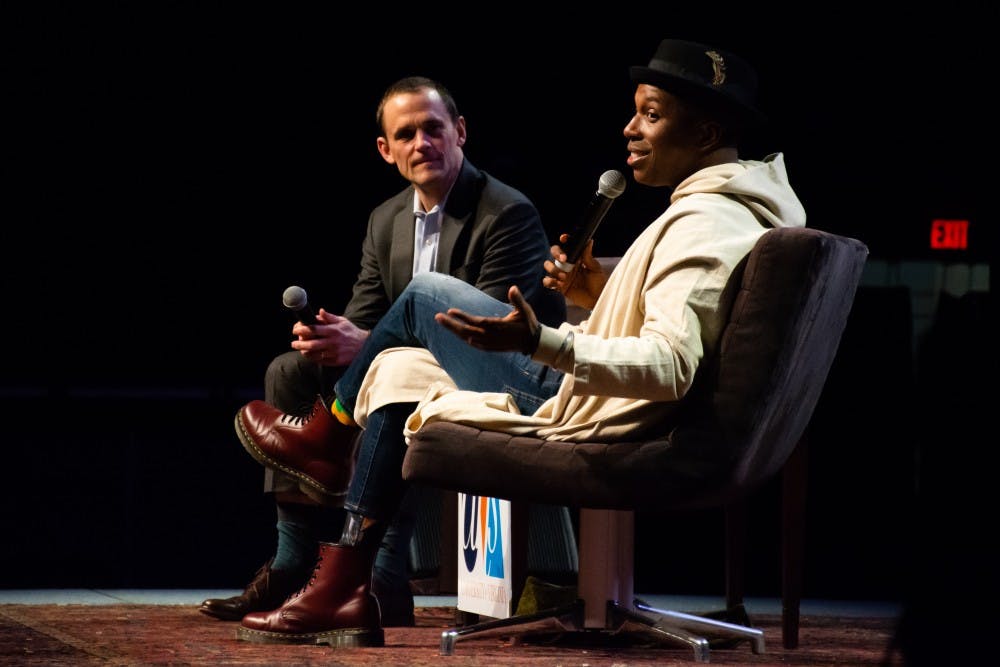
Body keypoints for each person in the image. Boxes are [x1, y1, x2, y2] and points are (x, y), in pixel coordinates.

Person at [230, 38, 806, 647]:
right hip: (599, 393)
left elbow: (669, 364)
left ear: (707, 130)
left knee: (427, 295)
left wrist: (544, 342)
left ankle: (330, 436)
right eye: (636, 110)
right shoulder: (726, 205)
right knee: (398, 369)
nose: (629, 128)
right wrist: (594, 293)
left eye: (652, 115)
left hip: (592, 409)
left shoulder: (706, 219)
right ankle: (348, 585)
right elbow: (676, 318)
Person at [199, 75, 565, 627]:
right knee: (290, 370)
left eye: (434, 129)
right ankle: (293, 563)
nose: (422, 142)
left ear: (460, 132)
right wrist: (334, 337)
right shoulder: (385, 218)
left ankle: (384, 573)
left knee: (395, 369)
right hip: (403, 362)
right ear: (386, 150)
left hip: (489, 372)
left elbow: (488, 334)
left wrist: (367, 343)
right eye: (407, 133)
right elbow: (368, 314)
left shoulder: (507, 212)